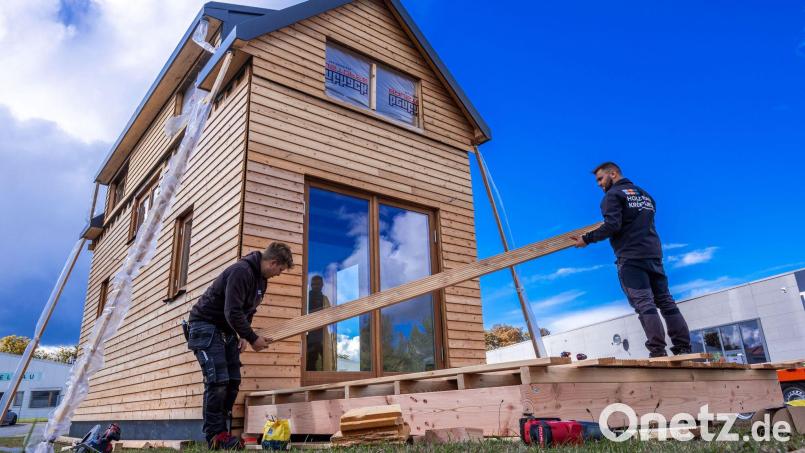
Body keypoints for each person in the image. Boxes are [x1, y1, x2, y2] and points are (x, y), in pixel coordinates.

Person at [571, 162, 691, 358]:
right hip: (653, 256)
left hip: (631, 258)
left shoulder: (612, 196)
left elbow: (612, 226)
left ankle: (657, 351)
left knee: (645, 304)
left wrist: (586, 239)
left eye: (600, 179)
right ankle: (683, 348)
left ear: (613, 173)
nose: (599, 184)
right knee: (666, 302)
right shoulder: (646, 196)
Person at [186, 242, 293, 449]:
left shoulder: (261, 282)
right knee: (218, 381)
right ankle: (215, 436)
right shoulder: (241, 272)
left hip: (226, 329)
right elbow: (232, 311)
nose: (279, 274)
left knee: (233, 381)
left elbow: (247, 312)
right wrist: (253, 338)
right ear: (273, 263)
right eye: (280, 270)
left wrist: (244, 335)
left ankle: (223, 433)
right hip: (205, 325)